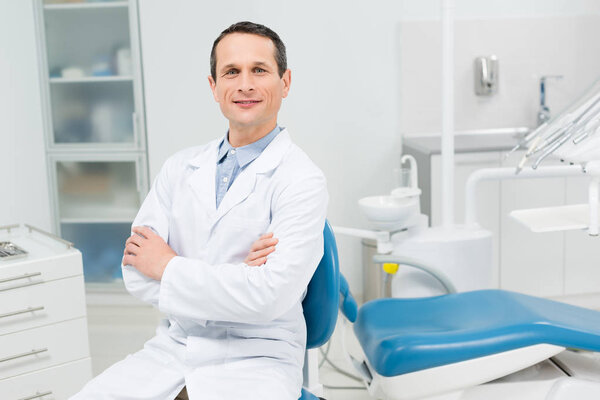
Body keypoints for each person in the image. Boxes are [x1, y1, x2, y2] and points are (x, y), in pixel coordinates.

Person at [71, 21, 328, 400]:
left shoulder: (302, 179)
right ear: (214, 87)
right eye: (231, 72)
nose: (245, 84)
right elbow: (136, 272)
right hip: (178, 346)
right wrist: (238, 279)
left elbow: (270, 297)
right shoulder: (180, 168)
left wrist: (169, 265)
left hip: (258, 357)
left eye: (259, 70)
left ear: (285, 82)